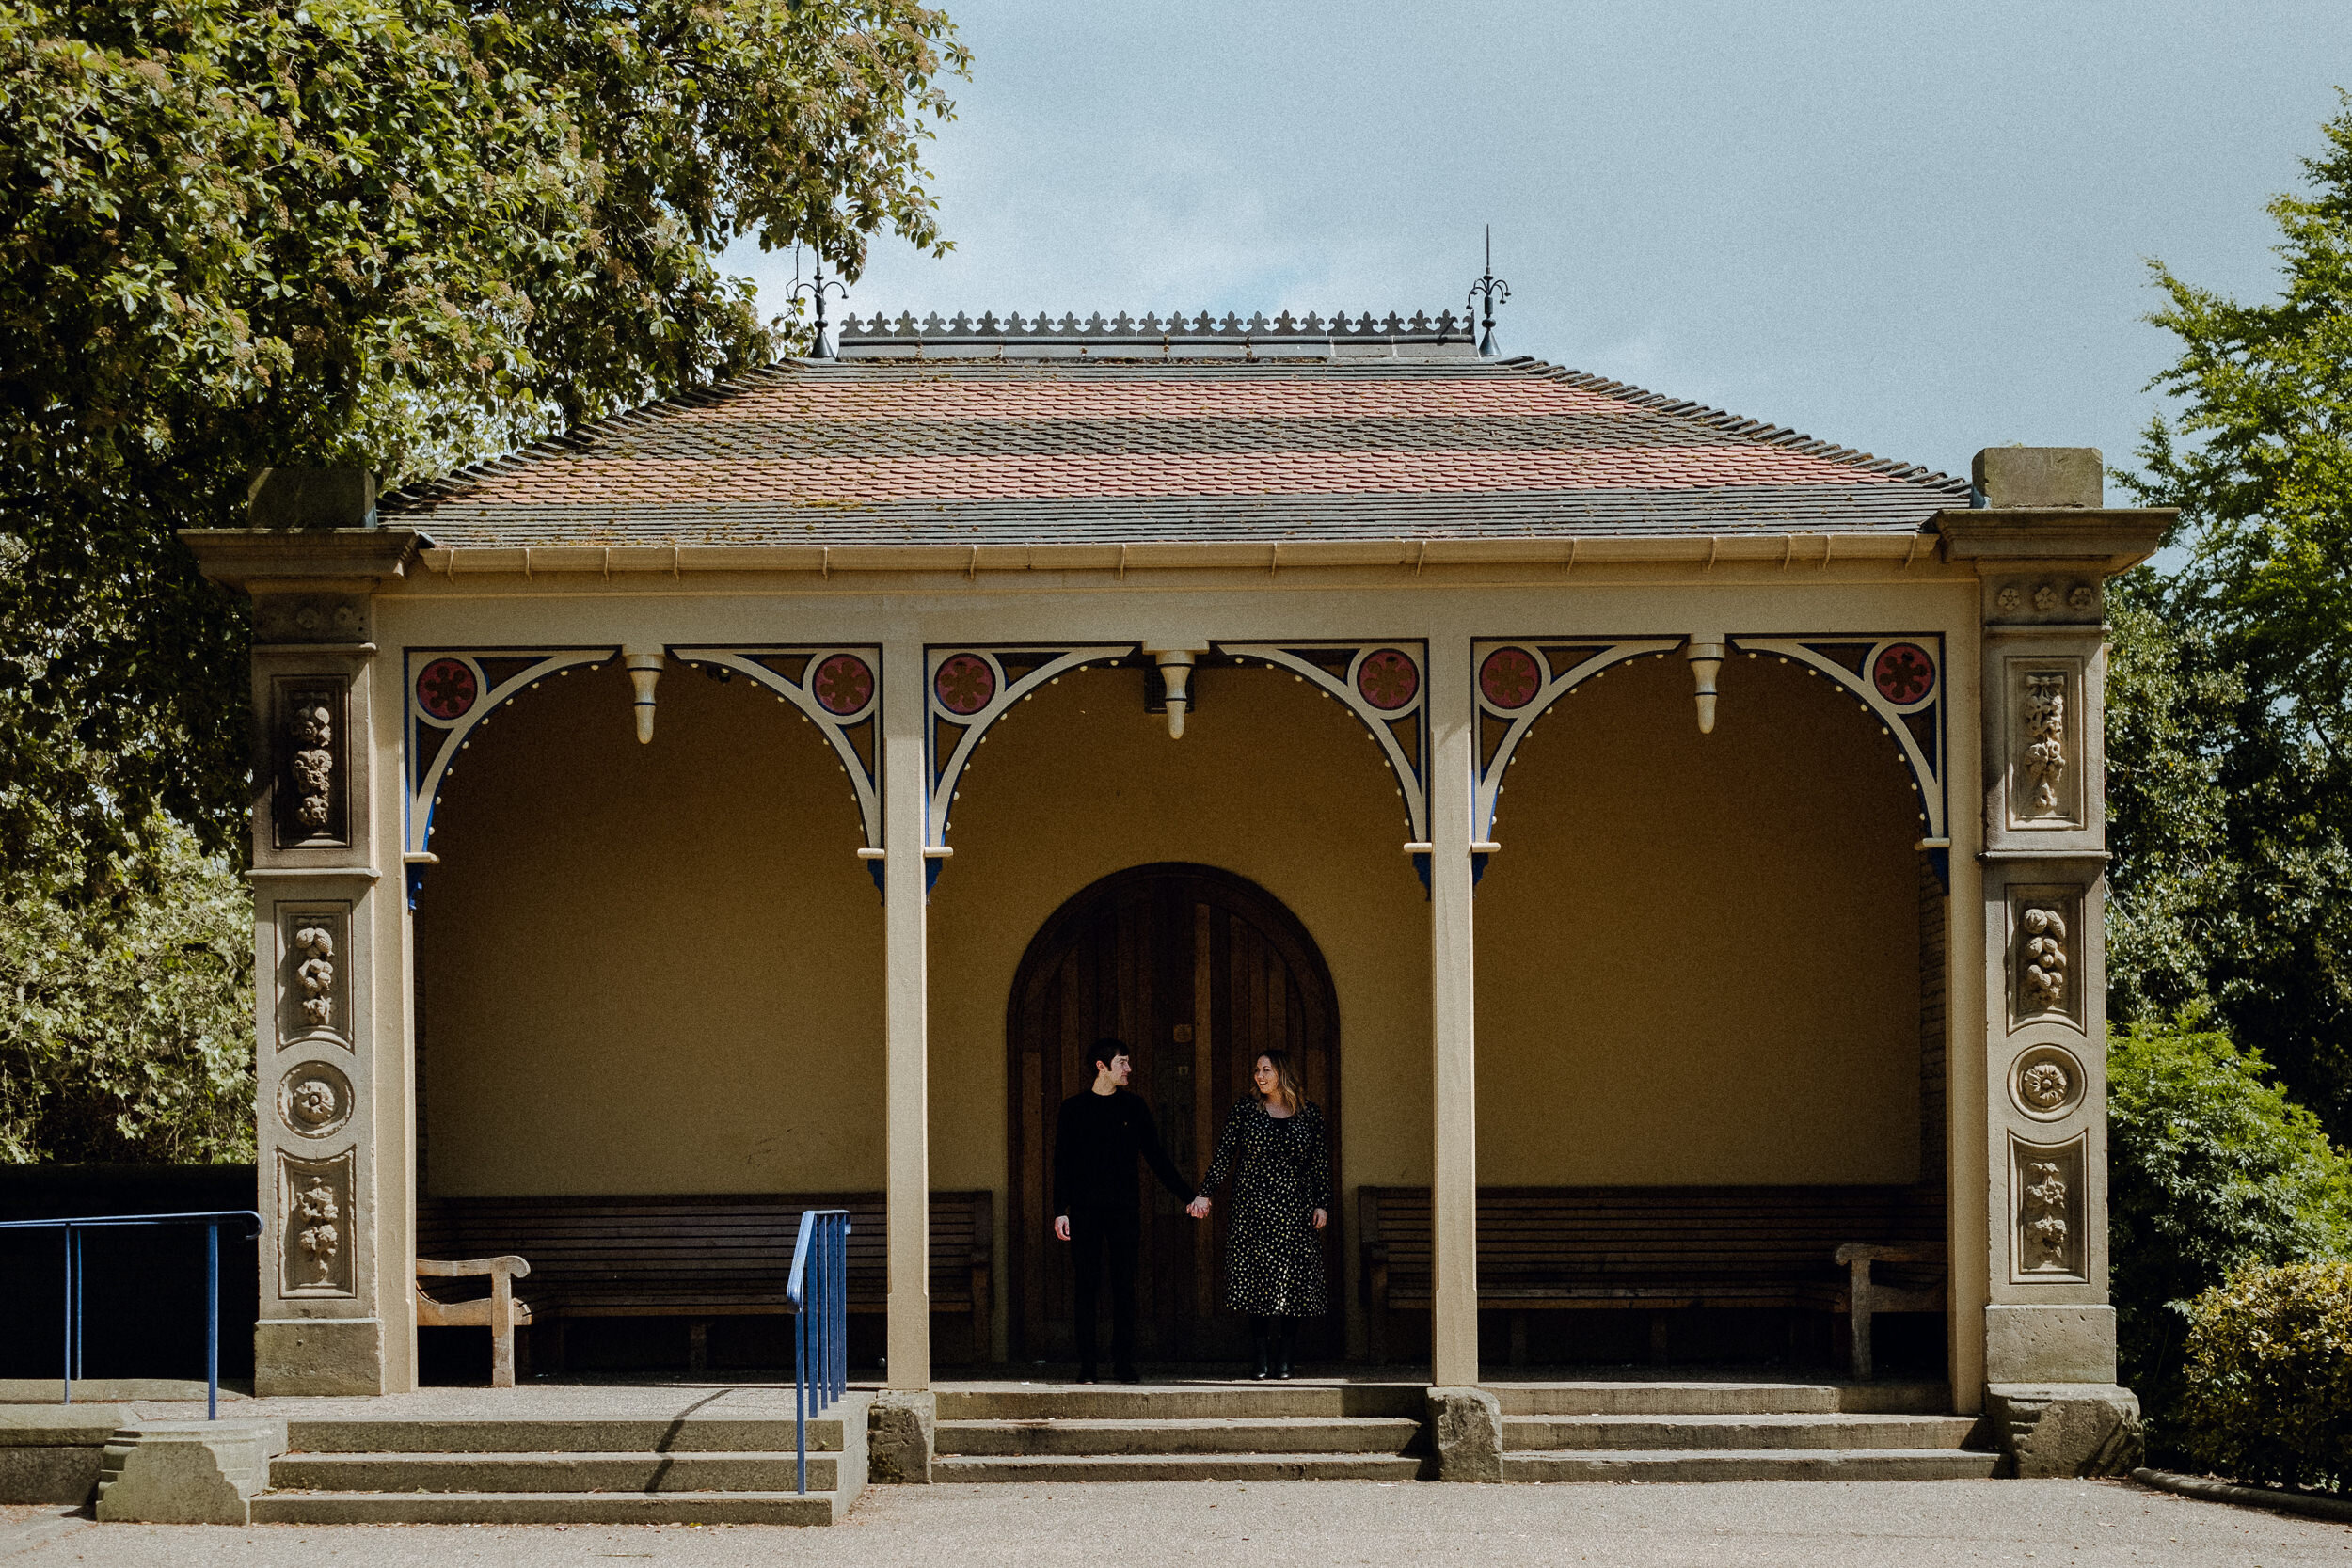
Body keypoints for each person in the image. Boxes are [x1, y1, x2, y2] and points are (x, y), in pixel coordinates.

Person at [1054, 1037, 1192, 1383]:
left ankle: (1123, 1362)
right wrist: (1060, 1210)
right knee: (1086, 1286)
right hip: (1084, 1211)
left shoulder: (1134, 1107)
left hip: (1124, 1211)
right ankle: (1088, 1365)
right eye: (1123, 1062)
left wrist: (1188, 1196)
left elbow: (1157, 1157)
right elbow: (1062, 1164)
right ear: (1102, 1066)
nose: (1129, 1068)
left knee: (1124, 1286)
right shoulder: (1073, 1109)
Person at [1186, 1049, 1330, 1380]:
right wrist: (1204, 1192)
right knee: (1257, 1282)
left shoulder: (1309, 1114)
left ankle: (1286, 1356)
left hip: (1296, 1209)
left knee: (1295, 1283)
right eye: (1256, 1070)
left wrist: (1322, 1203)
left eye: (1266, 1070)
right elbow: (1224, 1154)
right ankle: (1262, 1357)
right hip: (1253, 1209)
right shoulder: (1246, 1110)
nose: (1259, 1076)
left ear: (1282, 1072)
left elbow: (1320, 1164)